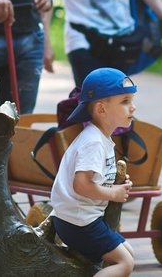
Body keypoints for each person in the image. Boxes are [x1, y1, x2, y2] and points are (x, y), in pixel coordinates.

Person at [49, 67, 136, 277]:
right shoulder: (93, 142)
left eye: (132, 100)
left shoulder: (101, 139)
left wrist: (116, 184)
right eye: (125, 101)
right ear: (101, 109)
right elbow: (81, 184)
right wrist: (113, 194)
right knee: (125, 263)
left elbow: (96, 179)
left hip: (82, 218)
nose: (132, 108)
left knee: (128, 252)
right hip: (78, 221)